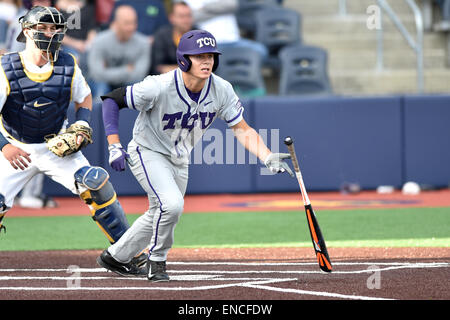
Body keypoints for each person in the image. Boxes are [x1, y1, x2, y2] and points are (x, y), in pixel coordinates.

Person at [96, 29, 293, 282]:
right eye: (199, 56)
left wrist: (266, 156)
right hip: (148, 151)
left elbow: (242, 129)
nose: (207, 61)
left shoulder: (221, 89)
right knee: (172, 206)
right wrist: (114, 144)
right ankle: (157, 261)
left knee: (161, 211)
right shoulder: (159, 86)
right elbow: (112, 100)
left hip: (180, 157)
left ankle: (116, 256)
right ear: (183, 60)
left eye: (210, 55)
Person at [0, 6, 145, 272]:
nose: (49, 33)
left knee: (96, 183)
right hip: (14, 147)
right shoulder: (6, 67)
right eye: (43, 28)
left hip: (56, 147)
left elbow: (84, 98)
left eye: (55, 28)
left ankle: (125, 254)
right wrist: (5, 146)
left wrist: (80, 125)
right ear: (27, 31)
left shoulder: (68, 63)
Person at [87, 4, 150, 101]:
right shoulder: (99, 41)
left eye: (134, 23)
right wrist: (127, 69)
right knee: (100, 90)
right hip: (103, 83)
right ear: (116, 23)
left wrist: (107, 71)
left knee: (138, 90)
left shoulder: (144, 43)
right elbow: (97, 74)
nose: (131, 27)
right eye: (127, 23)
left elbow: (139, 74)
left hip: (129, 83)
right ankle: (99, 115)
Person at [183, 0, 268, 59]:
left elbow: (232, 4)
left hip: (235, 41)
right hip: (211, 44)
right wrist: (222, 9)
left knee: (260, 51)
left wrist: (205, 8)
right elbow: (193, 16)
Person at [149, 1, 193, 75]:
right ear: (172, 18)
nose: (186, 20)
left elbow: (207, 67)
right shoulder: (161, 35)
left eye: (189, 16)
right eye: (182, 16)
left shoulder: (199, 36)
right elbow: (157, 68)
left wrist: (170, 68)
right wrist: (190, 69)